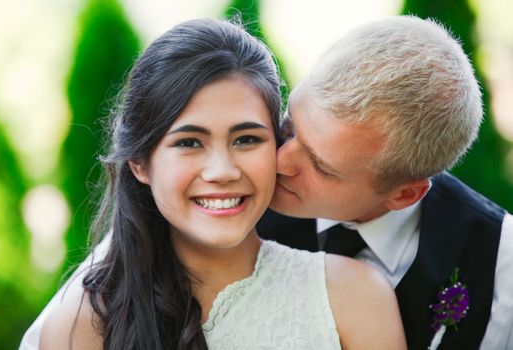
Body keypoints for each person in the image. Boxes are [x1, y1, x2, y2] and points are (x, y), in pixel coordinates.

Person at [32, 19, 405, 350]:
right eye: (189, 143)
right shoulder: (83, 326)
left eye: (246, 140)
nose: (222, 171)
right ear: (139, 163)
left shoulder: (356, 298)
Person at [256, 16, 513, 350]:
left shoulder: (502, 268)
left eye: (321, 166)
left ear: (404, 194)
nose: (278, 162)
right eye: (289, 128)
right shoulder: (226, 202)